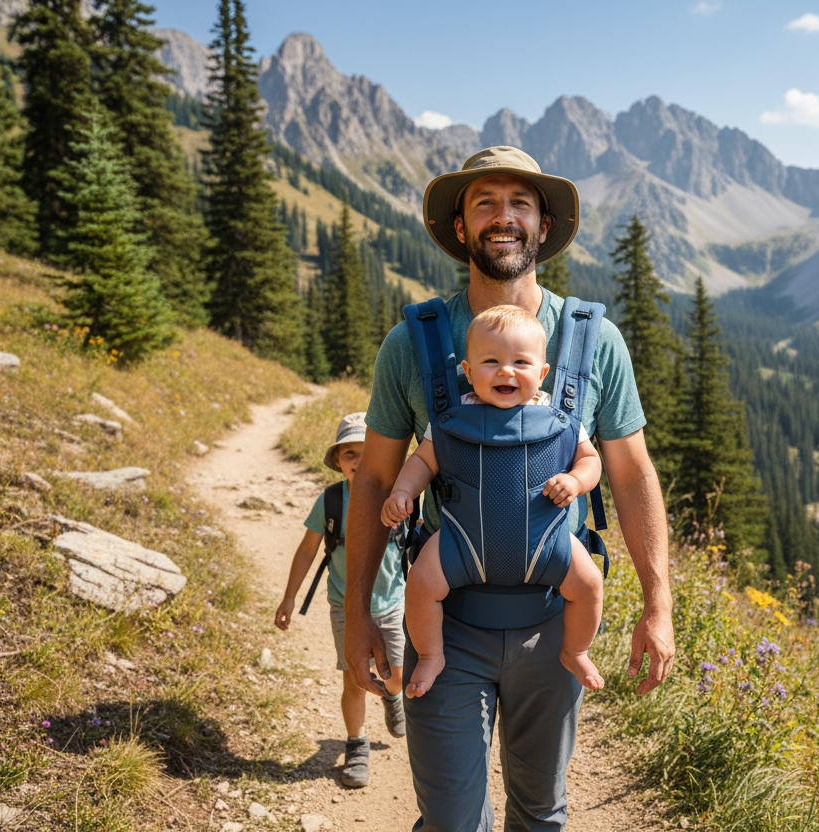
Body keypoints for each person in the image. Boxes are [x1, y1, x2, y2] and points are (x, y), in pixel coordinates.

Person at [345, 146, 675, 831]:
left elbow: (632, 473)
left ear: (544, 225)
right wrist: (358, 614)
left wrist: (658, 603)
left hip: (554, 626)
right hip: (445, 622)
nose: (504, 217)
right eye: (485, 203)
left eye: (520, 203)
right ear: (460, 226)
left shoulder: (594, 341)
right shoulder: (412, 343)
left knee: (540, 815)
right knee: (451, 822)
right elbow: (375, 477)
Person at [380, 304, 606, 698]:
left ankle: (575, 651)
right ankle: (431, 654)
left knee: (589, 583)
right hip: (459, 540)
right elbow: (423, 461)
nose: (506, 371)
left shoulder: (559, 415)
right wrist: (402, 492)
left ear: (542, 373)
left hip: (549, 541)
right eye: (491, 362)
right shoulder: (453, 415)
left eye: (521, 362)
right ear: (468, 372)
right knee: (420, 583)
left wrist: (575, 480)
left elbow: (591, 460)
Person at [274, 412, 406, 790]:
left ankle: (392, 698)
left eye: (369, 452)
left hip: (392, 602)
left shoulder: (399, 496)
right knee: (354, 680)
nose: (360, 461)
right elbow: (307, 551)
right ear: (337, 460)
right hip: (345, 606)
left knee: (395, 676)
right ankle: (356, 745)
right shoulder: (331, 501)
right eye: (350, 453)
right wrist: (289, 597)